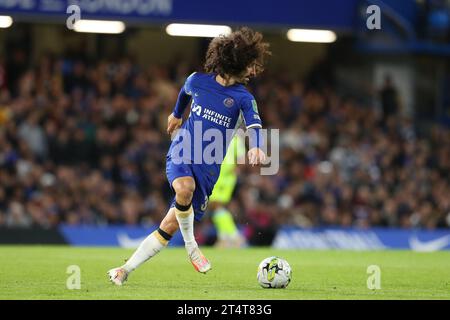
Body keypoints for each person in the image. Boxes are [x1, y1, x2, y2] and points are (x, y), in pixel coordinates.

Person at [108, 27, 271, 285]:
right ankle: (192, 246)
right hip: (183, 151)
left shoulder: (243, 98)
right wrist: (176, 114)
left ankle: (124, 270)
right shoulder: (198, 80)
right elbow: (185, 92)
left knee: (168, 227)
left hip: (208, 170)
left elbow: (254, 126)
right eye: (249, 65)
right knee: (185, 187)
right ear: (235, 63)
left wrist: (257, 146)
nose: (253, 71)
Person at [209, 134, 247, 248]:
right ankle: (224, 238)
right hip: (219, 174)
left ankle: (235, 236)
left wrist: (237, 168)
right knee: (216, 207)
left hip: (224, 176)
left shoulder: (234, 138)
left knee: (216, 205)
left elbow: (242, 158)